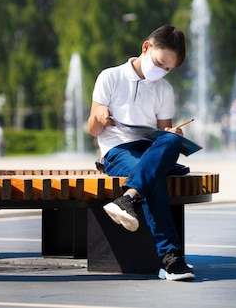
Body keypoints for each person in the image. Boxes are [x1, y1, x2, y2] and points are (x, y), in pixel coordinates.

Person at [87, 25, 194, 281]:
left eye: (168, 70)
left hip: (148, 150)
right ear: (146, 48)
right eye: (159, 63)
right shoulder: (110, 77)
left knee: (169, 140)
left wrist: (171, 133)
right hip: (116, 151)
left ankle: (129, 199)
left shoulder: (164, 90)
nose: (161, 72)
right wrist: (100, 116)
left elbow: (161, 133)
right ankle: (171, 258)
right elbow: (92, 129)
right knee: (153, 176)